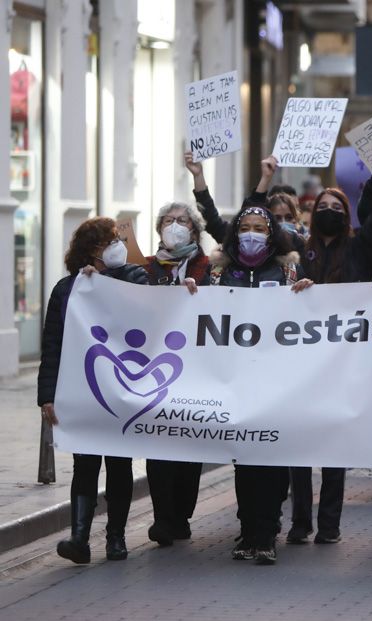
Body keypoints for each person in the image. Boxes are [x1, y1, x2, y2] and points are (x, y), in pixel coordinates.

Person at [287, 161, 372, 546]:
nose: (329, 211)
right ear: (312, 214)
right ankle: (299, 521)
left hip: (343, 362)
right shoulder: (297, 253)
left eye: (337, 208)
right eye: (323, 206)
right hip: (301, 363)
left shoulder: (360, 249)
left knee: (333, 446)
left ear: (346, 217)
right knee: (298, 445)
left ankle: (328, 523)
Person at [193, 201, 312, 565]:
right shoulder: (217, 275)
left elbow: (308, 318)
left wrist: (310, 292)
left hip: (275, 382)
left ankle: (267, 533)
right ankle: (247, 531)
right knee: (244, 460)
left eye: (261, 228)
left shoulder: (288, 272)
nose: (252, 234)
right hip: (236, 381)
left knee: (272, 460)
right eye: (247, 226)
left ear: (271, 235)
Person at [39, 217, 150, 564]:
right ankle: (79, 539)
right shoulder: (67, 289)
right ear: (91, 249)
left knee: (119, 465)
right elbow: (53, 344)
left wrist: (109, 281)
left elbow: (150, 301)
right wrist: (46, 395)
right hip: (83, 390)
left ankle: (115, 539)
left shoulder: (133, 278)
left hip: (121, 391)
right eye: (110, 241)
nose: (118, 245)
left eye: (119, 239)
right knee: (84, 465)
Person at [142, 202, 211, 547]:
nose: (174, 225)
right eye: (168, 221)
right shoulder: (145, 268)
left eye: (182, 220)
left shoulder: (207, 267)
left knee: (188, 446)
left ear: (194, 231)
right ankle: (162, 518)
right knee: (158, 443)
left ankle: (181, 514)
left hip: (195, 369)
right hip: (155, 369)